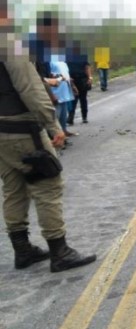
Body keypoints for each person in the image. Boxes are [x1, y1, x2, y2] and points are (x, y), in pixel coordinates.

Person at [0, 61, 96, 272]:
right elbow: (31, 89)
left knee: (13, 188)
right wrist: (53, 126)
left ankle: (23, 250)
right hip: (22, 129)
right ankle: (60, 252)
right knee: (48, 185)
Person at [67, 41, 92, 124]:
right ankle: (71, 118)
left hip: (82, 80)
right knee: (73, 99)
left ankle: (84, 117)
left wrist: (90, 77)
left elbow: (87, 67)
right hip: (72, 80)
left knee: (83, 99)